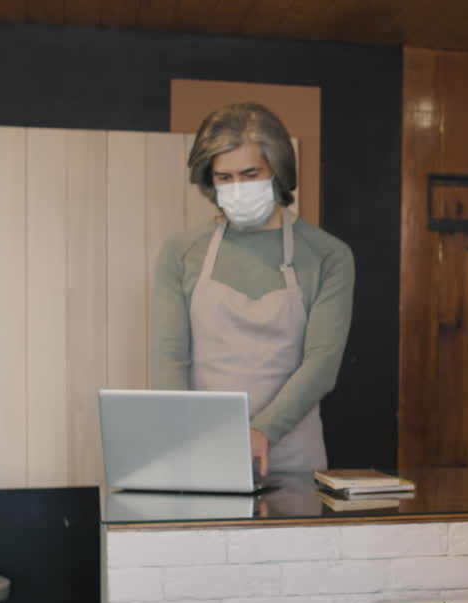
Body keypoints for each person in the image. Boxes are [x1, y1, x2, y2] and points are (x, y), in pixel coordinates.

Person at [151, 102, 354, 476]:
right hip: (202, 451)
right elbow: (168, 358)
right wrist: (177, 437)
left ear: (277, 170)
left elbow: (321, 364)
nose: (237, 188)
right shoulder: (182, 253)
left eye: (249, 174)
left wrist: (263, 430)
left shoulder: (328, 256)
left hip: (292, 459)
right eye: (224, 178)